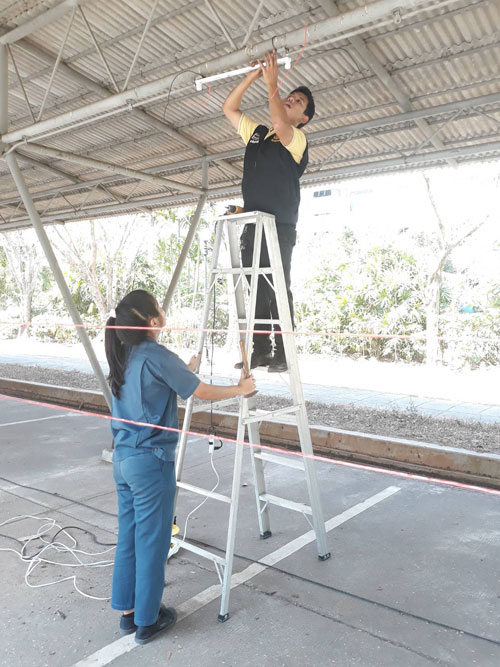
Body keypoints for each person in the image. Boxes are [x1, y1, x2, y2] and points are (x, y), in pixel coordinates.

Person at [105, 289, 255, 645]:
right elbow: (199, 393)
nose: (162, 307)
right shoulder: (155, 354)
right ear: (151, 321)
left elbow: (159, 385)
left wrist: (184, 371)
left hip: (123, 460)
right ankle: (147, 620)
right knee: (153, 541)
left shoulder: (124, 353)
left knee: (129, 537)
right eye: (158, 304)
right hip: (150, 463)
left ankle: (127, 613)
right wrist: (240, 388)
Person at [223, 50, 315, 372]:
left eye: (298, 102)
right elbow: (229, 108)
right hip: (253, 223)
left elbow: (279, 120)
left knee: (278, 286)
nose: (291, 100)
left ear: (303, 119)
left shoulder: (297, 140)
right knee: (256, 287)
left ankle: (284, 352)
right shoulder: (259, 134)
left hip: (279, 225)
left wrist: (271, 84)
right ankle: (261, 348)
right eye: (290, 96)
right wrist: (253, 77)